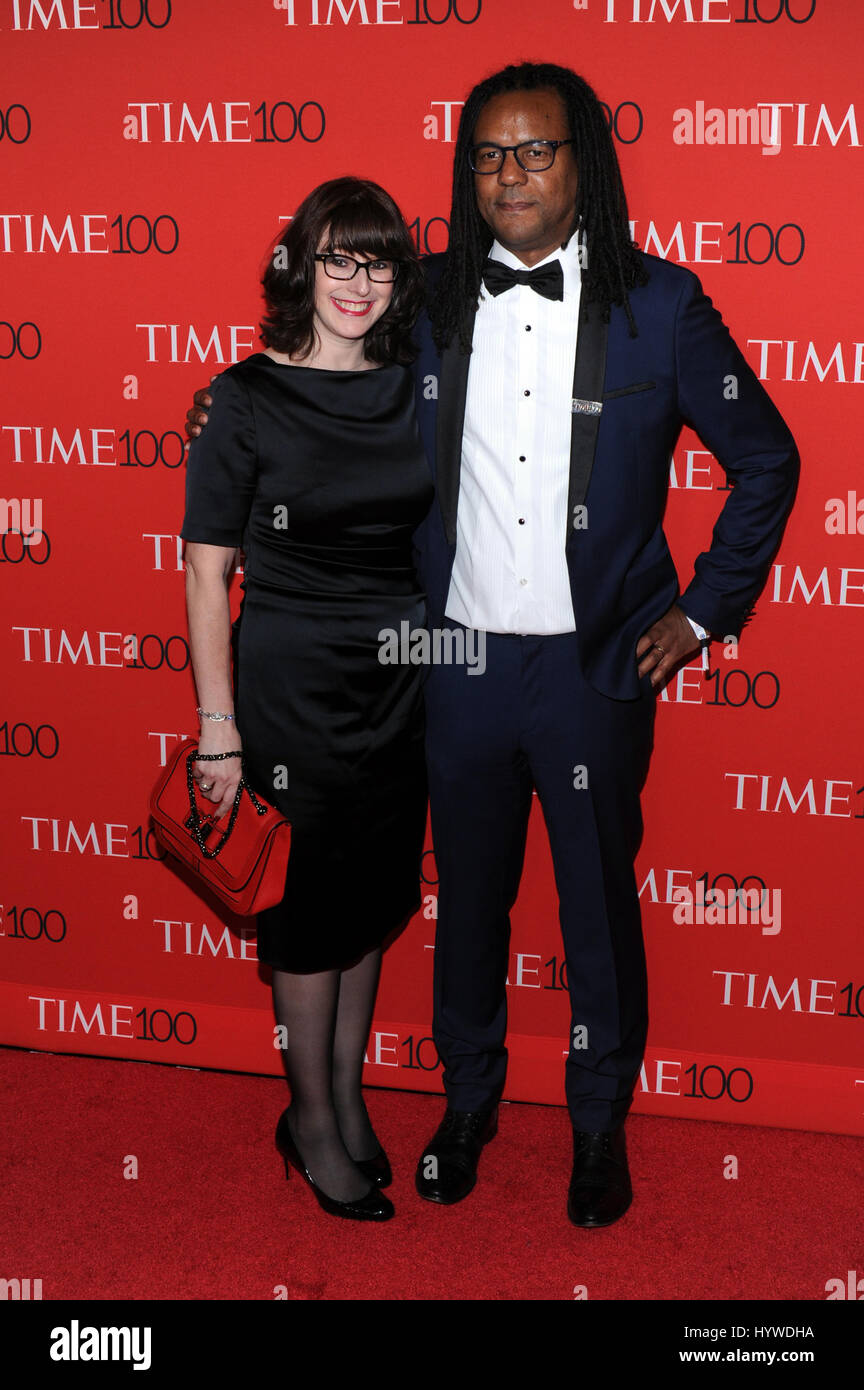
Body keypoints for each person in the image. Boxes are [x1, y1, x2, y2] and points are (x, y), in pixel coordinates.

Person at [186, 64, 799, 1229]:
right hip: (453, 667)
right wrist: (229, 411)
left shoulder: (661, 307)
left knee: (595, 908)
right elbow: (331, 378)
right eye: (487, 155)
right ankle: (466, 1104)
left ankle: (599, 1122)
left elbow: (767, 459)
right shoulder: (429, 299)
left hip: (595, 666)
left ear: (585, 164)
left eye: (536, 151)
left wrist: (707, 610)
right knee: (464, 901)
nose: (509, 174)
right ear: (465, 172)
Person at [180, 176, 433, 1222]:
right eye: (337, 257)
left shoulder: (422, 384)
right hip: (289, 681)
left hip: (403, 675)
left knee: (371, 898)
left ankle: (346, 1092)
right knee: (304, 911)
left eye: (376, 260)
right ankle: (312, 1123)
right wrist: (218, 730)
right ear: (299, 268)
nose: (357, 281)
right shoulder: (242, 398)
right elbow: (205, 572)